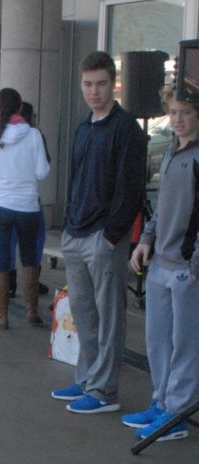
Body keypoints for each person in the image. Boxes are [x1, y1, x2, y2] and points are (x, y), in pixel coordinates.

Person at [52, 51, 147, 413]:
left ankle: (105, 390)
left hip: (103, 237)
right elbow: (75, 178)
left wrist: (111, 235)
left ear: (113, 83)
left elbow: (131, 188)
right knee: (84, 313)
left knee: (108, 317)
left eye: (102, 84)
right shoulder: (84, 127)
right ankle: (88, 378)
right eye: (88, 84)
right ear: (81, 85)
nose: (95, 91)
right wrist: (69, 227)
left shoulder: (126, 130)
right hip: (77, 233)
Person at [124, 89, 199, 441]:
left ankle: (177, 413)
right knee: (158, 341)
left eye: (185, 111)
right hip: (160, 263)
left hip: (186, 266)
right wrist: (145, 241)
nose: (179, 118)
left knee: (185, 343)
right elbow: (162, 203)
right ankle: (161, 400)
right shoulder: (170, 152)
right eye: (173, 111)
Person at [0, 88, 50, 329]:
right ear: (20, 108)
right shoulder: (34, 135)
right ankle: (31, 312)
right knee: (30, 260)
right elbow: (42, 172)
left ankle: (1, 315)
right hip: (28, 207)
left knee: (1, 261)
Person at [7, 102, 50, 299]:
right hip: (29, 201)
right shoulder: (35, 136)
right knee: (35, 242)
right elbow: (43, 169)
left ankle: (9, 285)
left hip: (4, 200)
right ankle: (31, 284)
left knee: (9, 242)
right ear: (31, 118)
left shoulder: (0, 134)